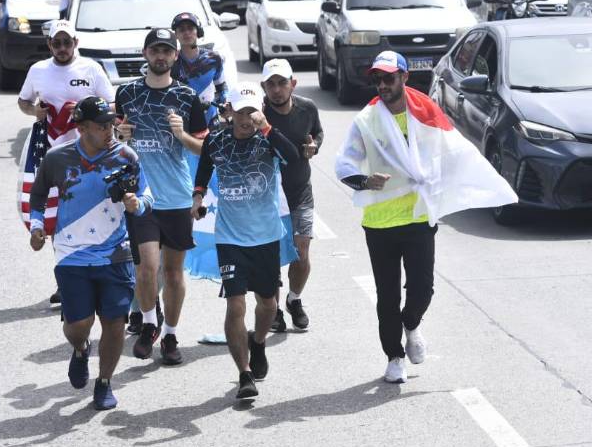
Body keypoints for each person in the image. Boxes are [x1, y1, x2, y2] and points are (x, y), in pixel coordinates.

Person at [334, 51, 517, 384]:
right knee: (387, 295)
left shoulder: (425, 113)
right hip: (380, 223)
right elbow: (344, 164)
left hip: (419, 217)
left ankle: (412, 324)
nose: (383, 85)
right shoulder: (366, 120)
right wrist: (364, 181)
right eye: (377, 78)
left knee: (423, 290)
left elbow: (454, 153)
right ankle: (393, 357)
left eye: (389, 78)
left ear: (404, 77)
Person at [29, 96, 153, 410]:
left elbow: (146, 194)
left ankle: (104, 383)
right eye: (101, 126)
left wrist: (138, 206)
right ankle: (81, 348)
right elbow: (39, 193)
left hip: (115, 253)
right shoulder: (58, 158)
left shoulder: (126, 155)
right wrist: (36, 225)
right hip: (72, 254)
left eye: (111, 123)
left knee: (114, 322)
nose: (109, 129)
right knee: (78, 325)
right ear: (82, 128)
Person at [192, 82, 298, 399]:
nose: (246, 118)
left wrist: (268, 129)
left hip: (265, 236)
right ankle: (244, 374)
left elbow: (293, 159)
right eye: (241, 111)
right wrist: (197, 196)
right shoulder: (218, 140)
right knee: (235, 305)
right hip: (230, 238)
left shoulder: (268, 140)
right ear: (231, 112)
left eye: (252, 111)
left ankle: (259, 342)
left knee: (267, 305)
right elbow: (205, 165)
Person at [115, 28, 207, 365]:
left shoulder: (186, 97)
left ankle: (169, 334)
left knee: (173, 273)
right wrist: (119, 134)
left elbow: (203, 147)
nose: (161, 56)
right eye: (155, 50)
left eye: (167, 51)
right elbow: (116, 142)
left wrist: (181, 134)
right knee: (147, 268)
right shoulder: (127, 93)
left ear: (175, 56)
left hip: (178, 198)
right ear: (144, 53)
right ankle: (149, 324)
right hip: (142, 198)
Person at [18, 19, 115, 304]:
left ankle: (99, 270)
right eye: (56, 43)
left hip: (91, 151)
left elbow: (111, 103)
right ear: (49, 45)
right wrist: (34, 111)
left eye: (67, 42)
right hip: (53, 153)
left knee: (90, 211)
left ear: (76, 43)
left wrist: (85, 113)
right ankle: (66, 279)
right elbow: (23, 102)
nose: (62, 48)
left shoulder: (91, 69)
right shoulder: (38, 70)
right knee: (58, 216)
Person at [260, 59, 323, 332]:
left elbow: (317, 133)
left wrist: (315, 145)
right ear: (263, 86)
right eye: (271, 84)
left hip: (300, 193)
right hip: (266, 198)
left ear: (293, 84)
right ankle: (273, 310)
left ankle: (294, 299)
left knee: (302, 251)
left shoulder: (307, 108)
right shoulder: (256, 113)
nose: (277, 90)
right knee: (271, 256)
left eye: (282, 83)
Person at [170, 11, 228, 123]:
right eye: (181, 29)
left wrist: (225, 102)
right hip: (181, 122)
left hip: (210, 119)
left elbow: (221, 87)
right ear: (176, 35)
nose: (186, 33)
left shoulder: (214, 58)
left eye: (191, 28)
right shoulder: (171, 61)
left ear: (198, 32)